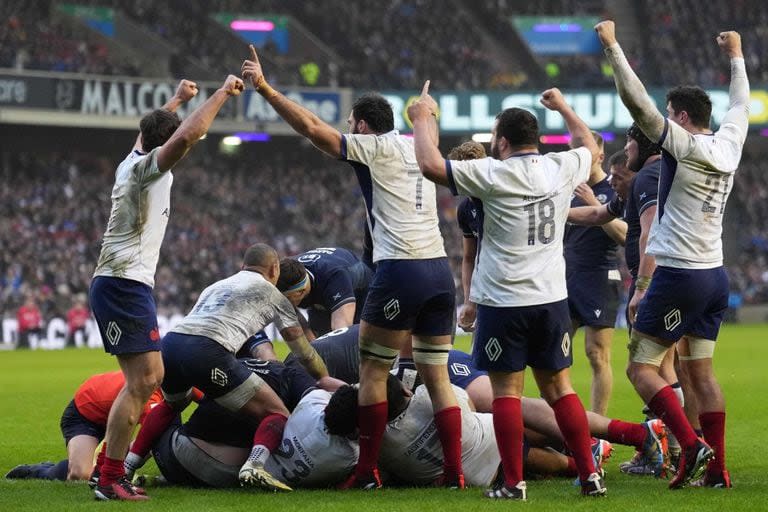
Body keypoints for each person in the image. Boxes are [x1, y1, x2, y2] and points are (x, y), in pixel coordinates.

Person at [242, 48, 463, 489]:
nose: (347, 129)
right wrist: (427, 113)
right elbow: (429, 138)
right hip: (441, 271)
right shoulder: (421, 146)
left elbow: (310, 128)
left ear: (362, 125)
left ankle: (366, 472)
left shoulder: (374, 147)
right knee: (436, 376)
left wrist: (265, 88)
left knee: (374, 374)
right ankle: (454, 472)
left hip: (400, 270)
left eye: (350, 123)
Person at [410, 83, 605, 499]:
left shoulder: (491, 175)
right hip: (552, 299)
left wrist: (422, 116)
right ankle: (590, 475)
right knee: (560, 389)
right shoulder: (562, 166)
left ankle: (513, 483)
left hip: (504, 302)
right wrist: (566, 106)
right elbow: (590, 145)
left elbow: (428, 164)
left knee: (507, 393)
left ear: (500, 141)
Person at [595, 21, 748, 489]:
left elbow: (636, 103)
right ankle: (718, 469)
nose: (659, 119)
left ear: (680, 117)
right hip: (715, 276)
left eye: (667, 113)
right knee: (699, 372)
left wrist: (613, 47)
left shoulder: (683, 144)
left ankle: (692, 445)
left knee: (640, 367)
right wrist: (737, 56)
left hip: (679, 274)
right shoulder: (730, 140)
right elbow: (740, 102)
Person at [88, 75, 244, 501]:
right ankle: (109, 478)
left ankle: (107, 468)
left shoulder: (132, 157)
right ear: (164, 141)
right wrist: (221, 94)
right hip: (123, 283)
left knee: (150, 377)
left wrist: (175, 100)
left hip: (125, 282)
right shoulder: (145, 168)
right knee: (143, 383)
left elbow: (153, 129)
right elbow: (190, 134)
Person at [126, 243, 339, 493]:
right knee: (276, 412)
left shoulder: (215, 286)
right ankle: (254, 465)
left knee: (172, 405)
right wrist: (323, 377)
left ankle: (126, 467)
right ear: (274, 269)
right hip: (207, 350)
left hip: (171, 344)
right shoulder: (273, 295)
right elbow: (303, 352)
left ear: (243, 266)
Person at [568, 128, 690, 473]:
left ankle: (679, 446)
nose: (615, 183)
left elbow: (643, 234)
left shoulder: (647, 180)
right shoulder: (638, 184)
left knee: (651, 369)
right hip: (665, 280)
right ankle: (670, 445)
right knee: (667, 368)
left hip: (654, 283)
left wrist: (643, 286)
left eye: (619, 178)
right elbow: (599, 215)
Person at [147, 359, 344, 488]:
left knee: (174, 403)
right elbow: (322, 385)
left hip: (175, 460)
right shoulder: (298, 398)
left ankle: (130, 462)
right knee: (276, 416)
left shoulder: (231, 366)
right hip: (223, 478)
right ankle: (254, 464)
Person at [4, 371, 164, 482]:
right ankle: (39, 470)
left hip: (116, 420)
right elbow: (149, 438)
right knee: (80, 474)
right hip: (84, 416)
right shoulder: (152, 390)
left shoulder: (164, 384)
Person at [564, 131, 626, 416]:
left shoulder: (614, 189)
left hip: (600, 277)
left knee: (596, 354)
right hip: (565, 278)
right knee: (553, 354)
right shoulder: (565, 188)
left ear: (599, 155)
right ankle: (562, 423)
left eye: (585, 153)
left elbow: (625, 235)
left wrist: (594, 204)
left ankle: (597, 429)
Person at [276, 246, 373, 338]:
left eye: (287, 298)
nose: (284, 302)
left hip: (361, 291)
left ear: (300, 292)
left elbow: (342, 332)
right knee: (319, 342)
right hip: (320, 290)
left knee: (356, 340)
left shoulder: (335, 278)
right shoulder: (286, 271)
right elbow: (296, 326)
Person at [450, 141, 488, 333]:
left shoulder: (499, 198)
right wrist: (469, 302)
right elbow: (469, 257)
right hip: (485, 290)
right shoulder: (465, 208)